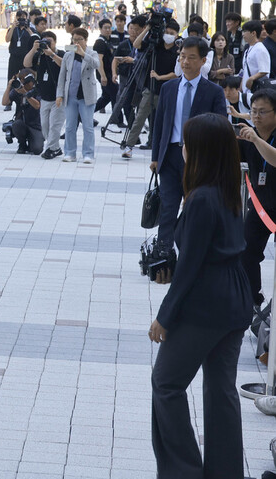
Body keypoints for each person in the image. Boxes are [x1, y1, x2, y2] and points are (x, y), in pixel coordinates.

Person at [149, 112, 251, 479]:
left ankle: (183, 470)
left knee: (166, 383)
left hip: (206, 305)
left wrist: (164, 316)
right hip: (235, 301)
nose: (183, 150)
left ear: (201, 151)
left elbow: (191, 266)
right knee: (221, 391)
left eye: (188, 145)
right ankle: (225, 473)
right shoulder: (228, 189)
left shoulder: (202, 198)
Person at [150, 37, 228, 250]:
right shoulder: (169, 88)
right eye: (182, 56)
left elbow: (221, 126)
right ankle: (163, 255)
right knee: (167, 208)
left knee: (194, 209)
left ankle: (190, 254)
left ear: (203, 60)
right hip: (170, 157)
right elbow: (160, 125)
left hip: (197, 160)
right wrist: (155, 157)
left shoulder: (213, 91)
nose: (185, 62)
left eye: (191, 57)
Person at [234, 89, 276, 309]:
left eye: (262, 112)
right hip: (260, 209)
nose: (256, 116)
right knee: (246, 251)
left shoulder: (255, 138)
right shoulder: (248, 136)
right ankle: (251, 301)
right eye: (253, 111)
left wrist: (256, 140)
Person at [123, 17, 181, 158]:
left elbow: (178, 73)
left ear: (177, 34)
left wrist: (160, 77)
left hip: (168, 91)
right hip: (151, 89)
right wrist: (147, 29)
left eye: (172, 33)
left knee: (167, 120)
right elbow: (137, 45)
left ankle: (166, 147)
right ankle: (129, 146)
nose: (168, 35)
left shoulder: (179, 50)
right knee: (140, 118)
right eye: (166, 31)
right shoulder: (156, 44)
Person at [56, 27, 102, 164]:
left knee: (88, 126)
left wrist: (83, 54)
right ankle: (69, 153)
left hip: (86, 96)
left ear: (86, 40)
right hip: (70, 96)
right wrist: (59, 94)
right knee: (70, 126)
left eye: (80, 39)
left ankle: (88, 154)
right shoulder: (68, 54)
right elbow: (62, 76)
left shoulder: (91, 53)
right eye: (74, 39)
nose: (76, 42)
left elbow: (96, 64)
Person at [24, 31, 64, 159]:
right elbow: (26, 64)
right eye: (44, 41)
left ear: (55, 42)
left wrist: (51, 54)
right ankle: (56, 148)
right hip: (44, 97)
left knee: (55, 125)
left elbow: (65, 65)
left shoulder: (61, 53)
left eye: (49, 41)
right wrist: (34, 49)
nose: (47, 44)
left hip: (58, 97)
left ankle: (50, 150)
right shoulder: (39, 56)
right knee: (45, 126)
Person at [2, 71, 43, 155]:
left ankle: (31, 142)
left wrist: (26, 93)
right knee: (17, 124)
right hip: (21, 123)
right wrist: (9, 86)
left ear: (32, 81)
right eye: (22, 82)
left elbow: (37, 105)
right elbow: (4, 102)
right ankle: (22, 144)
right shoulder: (17, 91)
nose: (25, 85)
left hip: (35, 125)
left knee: (37, 149)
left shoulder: (38, 90)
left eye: (27, 82)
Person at [92, 19, 118, 115]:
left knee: (106, 96)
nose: (108, 30)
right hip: (104, 73)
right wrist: (103, 75)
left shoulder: (108, 41)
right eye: (105, 28)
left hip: (109, 73)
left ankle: (83, 115)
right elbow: (99, 60)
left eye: (109, 27)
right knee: (116, 93)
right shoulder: (100, 42)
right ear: (100, 29)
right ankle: (117, 119)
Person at [242, 20, 271, 93]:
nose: (243, 34)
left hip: (257, 90)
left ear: (253, 33)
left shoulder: (260, 49)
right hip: (247, 91)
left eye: (245, 31)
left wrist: (251, 79)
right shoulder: (248, 49)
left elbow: (264, 70)